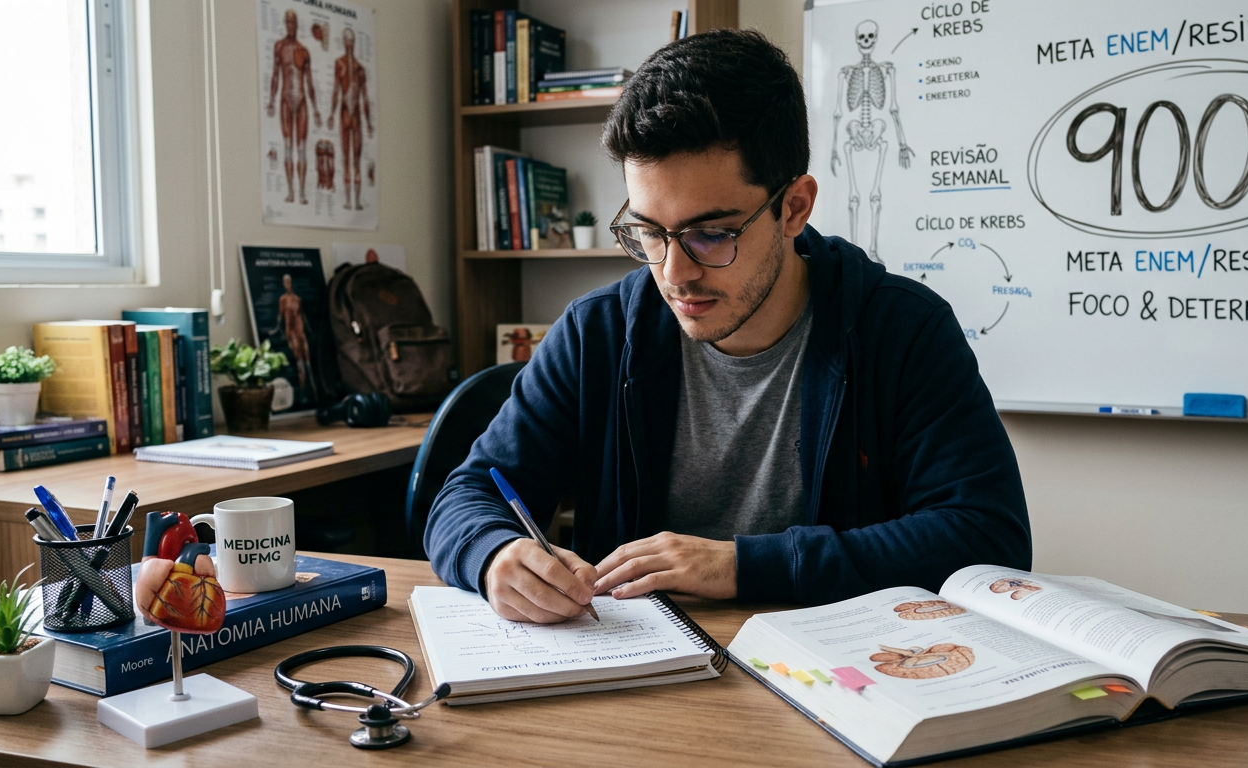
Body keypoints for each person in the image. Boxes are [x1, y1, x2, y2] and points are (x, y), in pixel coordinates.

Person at [425, 29, 1030, 624]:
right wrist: (493, 554)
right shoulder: (597, 334)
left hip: (839, 684)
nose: (673, 272)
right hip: (638, 679)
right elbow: (468, 495)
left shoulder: (902, 330)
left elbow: (987, 537)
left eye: (710, 233)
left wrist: (741, 566)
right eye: (649, 232)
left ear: (794, 207)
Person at [267, 9, 321, 205]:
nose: (290, 26)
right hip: (285, 100)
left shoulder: (303, 51)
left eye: (293, 23)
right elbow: (275, 75)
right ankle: (291, 191)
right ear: (285, 24)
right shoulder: (279, 47)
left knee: (302, 148)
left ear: (297, 25)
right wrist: (271, 100)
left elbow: (309, 82)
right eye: (287, 23)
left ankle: (302, 192)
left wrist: (315, 109)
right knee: (288, 147)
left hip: (302, 101)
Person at [328, 27, 373, 211]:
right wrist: (331, 114)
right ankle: (348, 200)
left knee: (356, 160)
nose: (349, 45)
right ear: (344, 43)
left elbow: (365, 98)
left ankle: (356, 201)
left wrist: (369, 123)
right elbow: (336, 91)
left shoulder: (360, 69)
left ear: (353, 44)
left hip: (356, 118)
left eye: (351, 42)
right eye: (347, 42)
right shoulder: (339, 64)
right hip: (345, 114)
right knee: (346, 159)